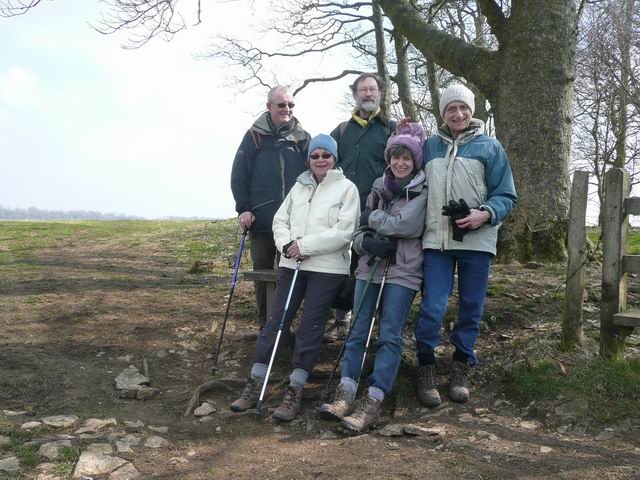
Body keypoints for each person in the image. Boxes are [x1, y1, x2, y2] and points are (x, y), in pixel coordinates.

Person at [230, 134, 360, 421]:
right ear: (309, 159)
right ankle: (255, 382)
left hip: (327, 269)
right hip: (292, 264)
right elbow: (280, 220)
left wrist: (306, 246)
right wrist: (288, 244)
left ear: (334, 159)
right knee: (275, 323)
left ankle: (295, 389)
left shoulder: (347, 189)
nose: (320, 160)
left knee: (311, 327)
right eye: (315, 156)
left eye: (326, 155)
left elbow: (344, 232)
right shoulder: (298, 187)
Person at [319, 122, 428, 432]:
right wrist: (364, 241)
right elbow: (357, 231)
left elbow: (404, 225)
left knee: (390, 335)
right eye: (395, 157)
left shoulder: (421, 191)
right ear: (388, 159)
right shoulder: (377, 189)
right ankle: (346, 391)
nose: (401, 162)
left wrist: (373, 220)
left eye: (407, 157)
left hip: (403, 271)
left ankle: (375, 399)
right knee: (357, 330)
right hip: (370, 268)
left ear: (415, 160)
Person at [414, 84, 517, 407]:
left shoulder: (490, 147)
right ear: (442, 113)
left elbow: (506, 195)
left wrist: (483, 214)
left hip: (478, 241)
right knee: (433, 305)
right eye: (451, 109)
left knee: (471, 306)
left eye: (463, 108)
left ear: (472, 111)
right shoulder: (429, 147)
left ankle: (461, 364)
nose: (458, 114)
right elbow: (405, 174)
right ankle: (426, 366)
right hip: (436, 241)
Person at [324, 72, 397, 342]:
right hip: (341, 209)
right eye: (362, 90)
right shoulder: (342, 130)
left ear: (380, 93)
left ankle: (373, 326)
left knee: (368, 264)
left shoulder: (390, 128)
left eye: (372, 89)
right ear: (355, 95)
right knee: (341, 263)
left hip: (375, 210)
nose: (368, 94)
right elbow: (324, 162)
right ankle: (340, 319)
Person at [230, 86, 310, 327]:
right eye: (281, 105)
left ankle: (285, 325)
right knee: (263, 275)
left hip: (294, 223)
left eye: (291, 105)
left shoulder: (303, 138)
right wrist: (244, 208)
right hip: (262, 221)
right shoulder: (254, 136)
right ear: (269, 107)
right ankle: (266, 324)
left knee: (290, 274)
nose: (287, 109)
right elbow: (239, 175)